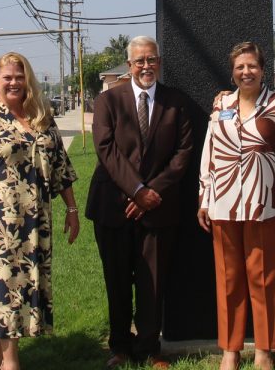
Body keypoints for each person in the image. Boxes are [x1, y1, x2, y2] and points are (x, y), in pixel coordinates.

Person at [0, 52, 79, 370]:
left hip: (35, 222)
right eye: (7, 77)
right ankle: (11, 362)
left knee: (22, 290)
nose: (13, 82)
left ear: (28, 81)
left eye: (19, 76)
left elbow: (61, 167)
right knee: (3, 288)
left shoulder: (41, 116)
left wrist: (72, 209)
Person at [86, 36, 193, 370]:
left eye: (152, 60)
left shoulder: (177, 102)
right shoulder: (108, 100)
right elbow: (105, 148)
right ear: (129, 65)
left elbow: (183, 152)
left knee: (153, 281)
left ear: (159, 62)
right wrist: (136, 190)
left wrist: (151, 193)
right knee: (117, 280)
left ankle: (149, 348)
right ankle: (118, 346)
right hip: (113, 207)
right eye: (139, 61)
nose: (146, 66)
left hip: (159, 208)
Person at [198, 42, 275, 370]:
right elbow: (209, 152)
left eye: (252, 66)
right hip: (223, 204)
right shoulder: (221, 104)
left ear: (262, 69)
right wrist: (204, 197)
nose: (247, 72)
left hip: (266, 204)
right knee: (229, 279)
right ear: (233, 71)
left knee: (264, 278)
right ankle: (230, 349)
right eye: (240, 67)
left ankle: (264, 349)